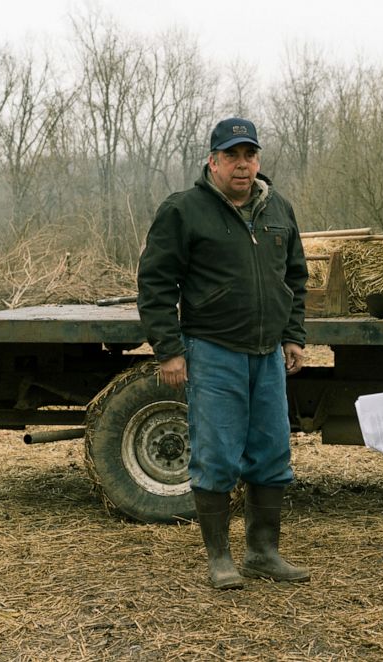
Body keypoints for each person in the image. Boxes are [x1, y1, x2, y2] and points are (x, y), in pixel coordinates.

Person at [137, 117, 310, 589]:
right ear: (212, 161)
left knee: (272, 454)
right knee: (216, 457)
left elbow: (295, 277)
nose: (242, 165)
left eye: (249, 155)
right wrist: (169, 349)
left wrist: (293, 335)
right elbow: (155, 282)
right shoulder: (184, 210)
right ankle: (220, 558)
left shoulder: (280, 209)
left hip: (268, 353)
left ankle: (263, 552)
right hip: (212, 351)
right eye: (231, 156)